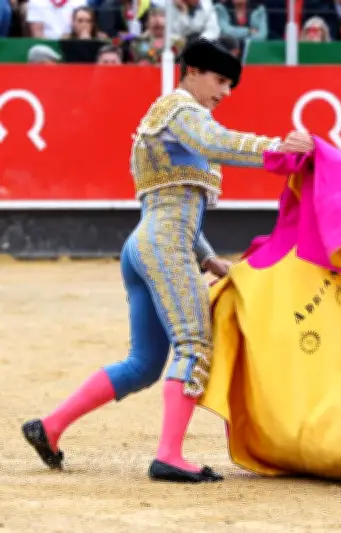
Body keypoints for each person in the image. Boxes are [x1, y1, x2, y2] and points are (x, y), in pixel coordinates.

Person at [21, 37, 314, 483]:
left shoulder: (165, 117)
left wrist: (211, 259)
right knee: (194, 344)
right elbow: (219, 145)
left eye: (230, 84)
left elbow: (173, 202)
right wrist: (281, 150)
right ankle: (170, 455)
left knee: (143, 364)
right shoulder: (182, 111)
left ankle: (51, 427)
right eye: (219, 80)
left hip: (143, 244)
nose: (225, 92)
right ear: (192, 70)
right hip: (165, 245)